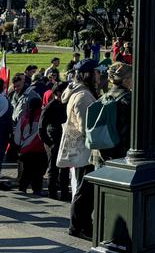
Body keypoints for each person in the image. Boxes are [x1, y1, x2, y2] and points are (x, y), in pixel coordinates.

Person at [56, 60, 99, 240]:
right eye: (96, 72)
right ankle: (78, 226)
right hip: (84, 149)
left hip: (83, 149)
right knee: (84, 190)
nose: (99, 75)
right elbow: (85, 126)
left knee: (83, 188)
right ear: (88, 74)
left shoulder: (83, 93)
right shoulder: (82, 96)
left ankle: (83, 225)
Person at [91, 63, 133, 166]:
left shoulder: (104, 97)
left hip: (100, 153)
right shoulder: (128, 99)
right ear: (125, 79)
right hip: (120, 156)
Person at [40, 82, 70, 200]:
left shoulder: (66, 104)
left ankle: (64, 192)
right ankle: (52, 193)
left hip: (64, 139)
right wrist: (48, 142)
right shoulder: (50, 106)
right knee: (53, 168)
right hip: (53, 140)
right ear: (58, 92)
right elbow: (41, 127)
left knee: (65, 167)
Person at [14, 95, 45, 194]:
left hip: (25, 151)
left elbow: (17, 137)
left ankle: (22, 190)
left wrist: (20, 146)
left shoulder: (23, 118)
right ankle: (37, 192)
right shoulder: (42, 118)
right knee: (38, 174)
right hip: (40, 151)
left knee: (26, 173)